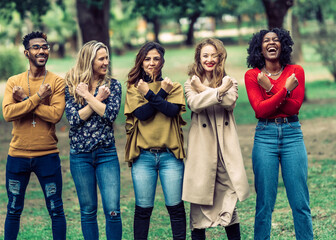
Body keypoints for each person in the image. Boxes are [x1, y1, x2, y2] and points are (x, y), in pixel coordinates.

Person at [245, 28, 313, 240]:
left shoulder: (296, 72)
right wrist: (285, 90)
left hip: (293, 134)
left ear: (283, 45)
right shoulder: (253, 75)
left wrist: (272, 89)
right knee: (264, 203)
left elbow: (293, 108)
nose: (271, 43)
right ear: (260, 47)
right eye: (266, 40)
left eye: (276, 39)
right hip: (265, 135)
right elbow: (261, 110)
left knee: (300, 202)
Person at [182, 38, 250, 240]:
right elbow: (194, 104)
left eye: (214, 55)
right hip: (202, 152)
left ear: (220, 58)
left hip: (225, 152)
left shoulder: (230, 81)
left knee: (229, 206)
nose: (209, 59)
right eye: (205, 55)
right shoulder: (189, 83)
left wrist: (206, 90)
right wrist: (219, 91)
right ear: (199, 58)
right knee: (199, 206)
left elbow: (229, 102)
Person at [2, 31, 66, 240]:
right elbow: (8, 113)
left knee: (56, 209)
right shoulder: (14, 81)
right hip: (17, 155)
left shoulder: (57, 82)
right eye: (36, 47)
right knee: (13, 209)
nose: (42, 51)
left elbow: (55, 115)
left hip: (47, 155)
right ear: (26, 52)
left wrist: (25, 100)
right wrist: (38, 97)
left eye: (45, 47)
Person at [124, 42, 187, 240]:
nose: (151, 63)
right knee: (143, 210)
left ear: (162, 61)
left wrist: (151, 94)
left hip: (170, 157)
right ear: (141, 62)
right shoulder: (135, 89)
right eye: (147, 59)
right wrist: (159, 94)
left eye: (156, 59)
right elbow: (142, 114)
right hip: (144, 157)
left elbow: (171, 111)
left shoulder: (174, 86)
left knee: (175, 208)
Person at [64, 41, 122, 240]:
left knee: (113, 209)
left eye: (107, 58)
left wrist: (88, 96)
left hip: (107, 153)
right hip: (80, 156)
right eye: (102, 58)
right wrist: (97, 99)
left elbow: (110, 115)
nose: (106, 62)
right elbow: (73, 119)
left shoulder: (113, 85)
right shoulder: (71, 85)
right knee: (88, 210)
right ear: (89, 61)